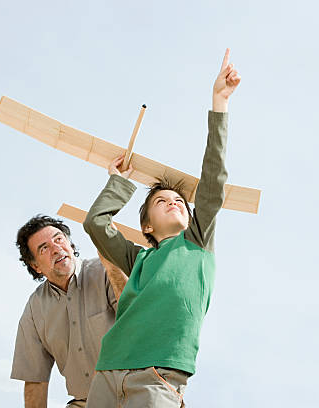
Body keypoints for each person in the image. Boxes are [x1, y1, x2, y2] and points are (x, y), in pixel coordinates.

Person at [83, 48, 241, 407]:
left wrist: (220, 102)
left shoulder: (197, 243)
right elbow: (95, 223)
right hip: (108, 373)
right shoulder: (137, 259)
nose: (173, 202)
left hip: (159, 376)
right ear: (146, 225)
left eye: (179, 202)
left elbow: (214, 176)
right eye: (161, 201)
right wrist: (118, 183)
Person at [11, 215, 127, 408]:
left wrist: (114, 265)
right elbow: (35, 380)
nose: (56, 248)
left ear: (71, 245)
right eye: (44, 248)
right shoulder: (35, 308)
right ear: (36, 266)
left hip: (135, 392)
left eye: (59, 239)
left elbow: (137, 317)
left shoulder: (105, 270)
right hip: (86, 402)